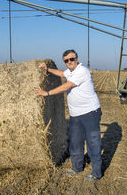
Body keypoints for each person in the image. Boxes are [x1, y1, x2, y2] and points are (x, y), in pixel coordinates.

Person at [35, 49, 102, 181]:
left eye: (72, 59)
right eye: (66, 60)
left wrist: (46, 93)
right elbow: (61, 73)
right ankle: (77, 168)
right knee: (75, 142)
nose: (69, 62)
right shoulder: (70, 72)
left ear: (76, 59)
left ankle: (96, 173)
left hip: (90, 113)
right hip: (75, 115)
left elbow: (66, 86)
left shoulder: (82, 71)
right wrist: (47, 68)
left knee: (93, 142)